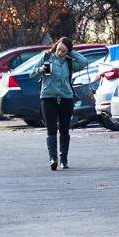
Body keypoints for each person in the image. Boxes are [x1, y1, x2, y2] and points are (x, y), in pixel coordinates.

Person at [30, 37, 90, 170]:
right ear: (55, 47)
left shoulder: (69, 62)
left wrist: (71, 52)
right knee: (51, 129)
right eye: (58, 49)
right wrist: (40, 70)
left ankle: (64, 159)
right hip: (48, 97)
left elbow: (84, 62)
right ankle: (53, 158)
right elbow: (31, 73)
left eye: (63, 51)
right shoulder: (46, 57)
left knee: (64, 128)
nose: (59, 53)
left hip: (65, 97)